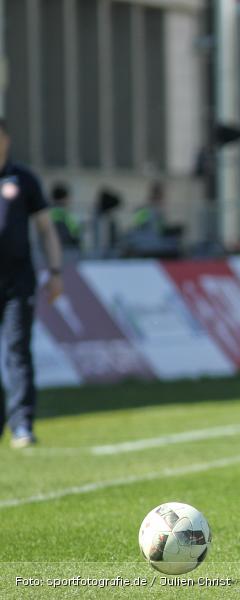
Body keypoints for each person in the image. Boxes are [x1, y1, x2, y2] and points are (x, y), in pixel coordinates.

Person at [0, 119, 64, 449]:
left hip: (17, 282)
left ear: (7, 139)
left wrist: (55, 271)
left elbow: (45, 228)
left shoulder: (23, 179)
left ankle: (22, 424)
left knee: (17, 351)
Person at [49, 182, 82, 252]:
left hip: (54, 251)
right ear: (65, 198)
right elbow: (73, 234)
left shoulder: (49, 213)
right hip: (68, 252)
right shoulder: (64, 215)